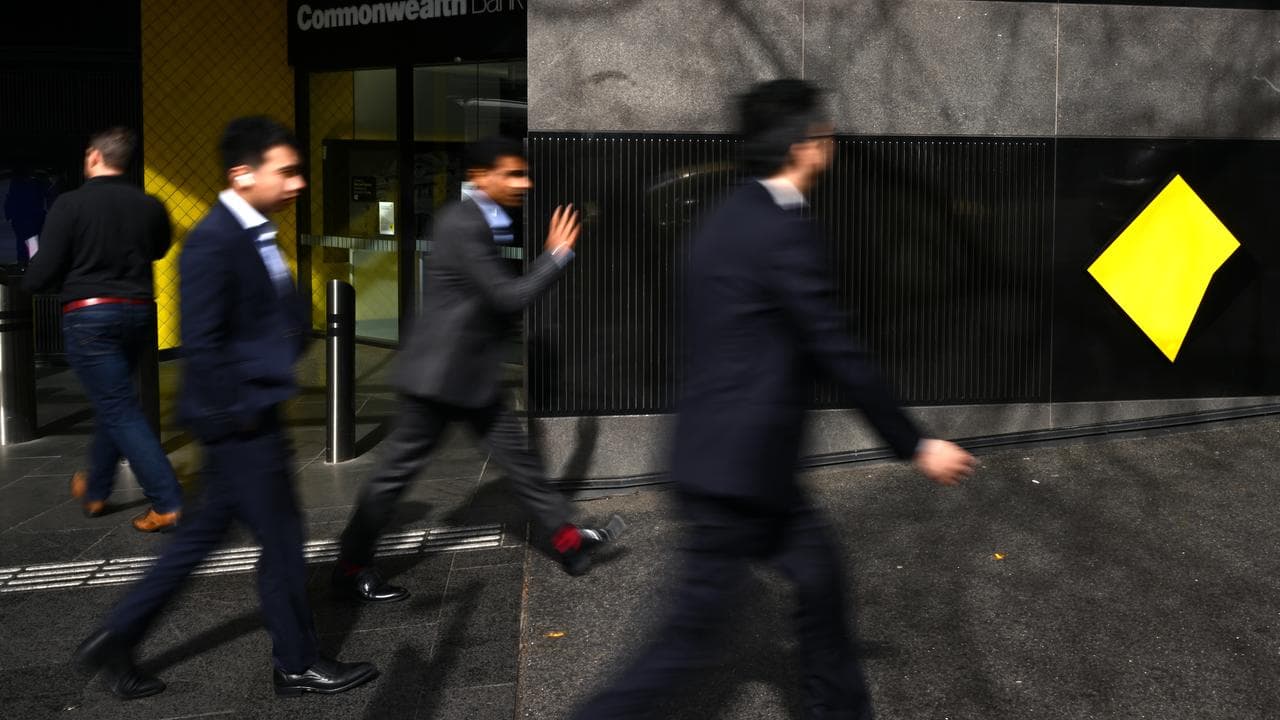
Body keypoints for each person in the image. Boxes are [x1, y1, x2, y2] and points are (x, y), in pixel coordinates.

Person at [571, 80, 977, 720]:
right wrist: (915, 442)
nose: (831, 144)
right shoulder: (782, 230)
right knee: (684, 642)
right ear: (802, 147)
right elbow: (836, 347)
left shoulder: (724, 217)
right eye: (825, 134)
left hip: (739, 464)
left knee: (820, 582)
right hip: (738, 476)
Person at [74, 116, 377, 699]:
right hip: (240, 421)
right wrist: (238, 419)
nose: (298, 184)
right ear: (243, 175)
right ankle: (297, 662)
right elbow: (204, 342)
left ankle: (116, 636)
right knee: (285, 542)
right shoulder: (215, 240)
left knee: (198, 540)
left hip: (244, 417)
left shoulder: (253, 231)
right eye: (285, 172)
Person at [332, 137, 624, 605]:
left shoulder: (484, 218)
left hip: (469, 374)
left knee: (521, 466)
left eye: (523, 173)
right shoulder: (461, 222)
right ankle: (349, 565)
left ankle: (569, 544)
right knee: (394, 476)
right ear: (480, 176)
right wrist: (556, 254)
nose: (524, 182)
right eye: (512, 173)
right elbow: (507, 297)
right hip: (438, 379)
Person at [23, 128, 183, 532]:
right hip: (138, 314)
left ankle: (166, 500)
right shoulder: (149, 205)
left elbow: (44, 268)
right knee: (115, 402)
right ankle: (95, 490)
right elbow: (160, 248)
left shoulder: (70, 204)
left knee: (118, 407)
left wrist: (31, 283)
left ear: (94, 157)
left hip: (90, 317)